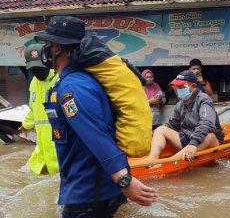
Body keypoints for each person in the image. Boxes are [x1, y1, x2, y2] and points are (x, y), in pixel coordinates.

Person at [35, 16, 158, 217]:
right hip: (96, 188)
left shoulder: (73, 86)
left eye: (47, 45)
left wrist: (124, 180)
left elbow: (96, 134)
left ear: (57, 48)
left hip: (89, 193)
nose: (44, 51)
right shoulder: (77, 81)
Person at [146, 70, 224, 161]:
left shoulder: (203, 99)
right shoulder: (180, 104)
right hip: (188, 138)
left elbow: (207, 122)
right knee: (160, 129)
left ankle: (172, 160)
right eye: (177, 87)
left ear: (193, 86)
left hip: (205, 141)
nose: (178, 90)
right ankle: (152, 158)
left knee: (209, 136)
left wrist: (193, 144)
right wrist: (152, 135)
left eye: (181, 87)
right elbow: (171, 125)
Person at [19, 44, 59, 175]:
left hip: (59, 150)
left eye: (39, 67)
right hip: (42, 150)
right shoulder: (34, 83)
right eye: (33, 68)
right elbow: (33, 109)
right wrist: (25, 124)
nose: (37, 71)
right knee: (20, 176)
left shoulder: (60, 80)